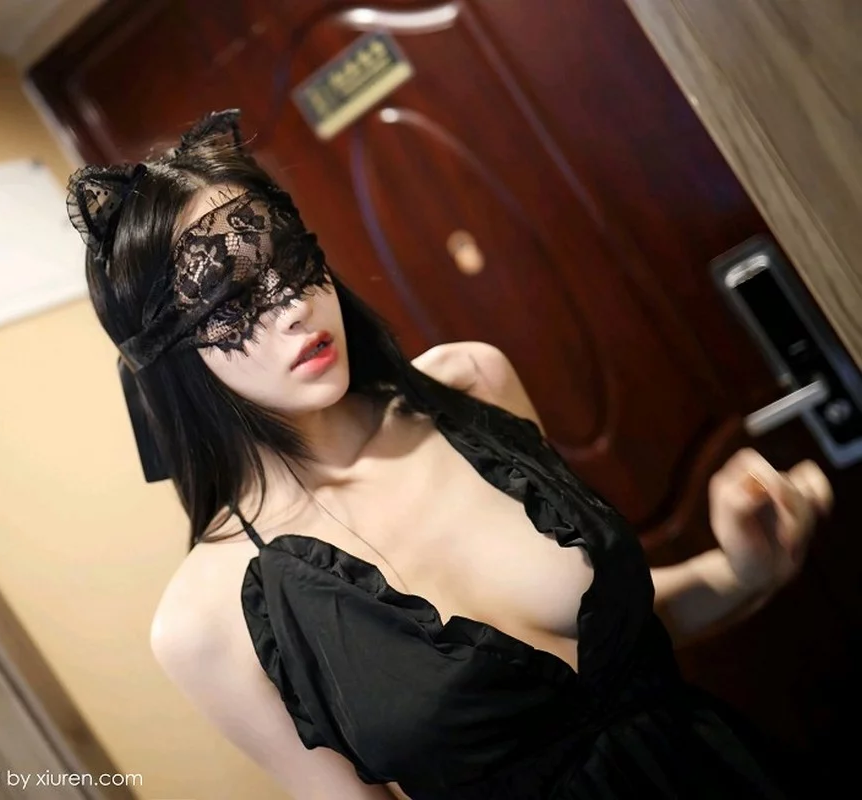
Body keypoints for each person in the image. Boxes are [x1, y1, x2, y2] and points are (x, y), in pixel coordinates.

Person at [66, 110, 834, 799]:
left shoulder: (472, 384)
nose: (293, 305)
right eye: (231, 298)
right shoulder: (204, 621)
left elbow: (614, 651)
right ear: (170, 356)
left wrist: (743, 570)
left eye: (289, 258)